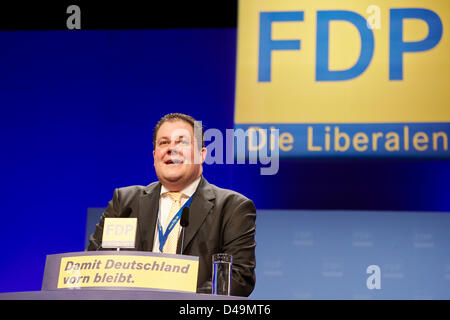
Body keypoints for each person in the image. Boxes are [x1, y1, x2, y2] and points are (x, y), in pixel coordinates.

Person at [88, 113, 256, 297]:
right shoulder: (125, 202)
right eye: (164, 143)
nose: (171, 149)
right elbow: (93, 266)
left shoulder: (233, 208)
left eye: (182, 142)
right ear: (154, 156)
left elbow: (238, 278)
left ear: (202, 154)